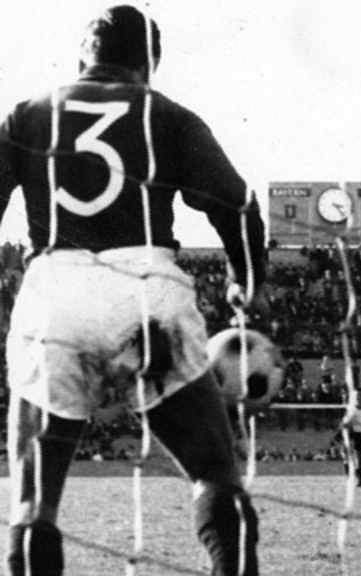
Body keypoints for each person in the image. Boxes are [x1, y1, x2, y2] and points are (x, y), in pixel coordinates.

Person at [0, 6, 266, 576]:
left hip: (55, 297)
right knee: (214, 476)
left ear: (83, 59)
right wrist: (246, 280)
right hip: (148, 296)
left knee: (32, 505)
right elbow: (237, 204)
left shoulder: (27, 114)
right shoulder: (167, 114)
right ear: (150, 63)